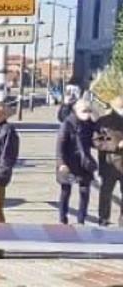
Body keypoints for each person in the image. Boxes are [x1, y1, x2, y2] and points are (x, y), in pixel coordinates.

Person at [56, 95, 100, 225]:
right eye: (84, 111)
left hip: (84, 162)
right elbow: (60, 147)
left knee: (84, 191)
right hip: (68, 163)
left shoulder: (89, 124)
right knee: (66, 191)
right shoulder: (67, 124)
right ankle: (63, 218)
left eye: (88, 110)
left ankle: (81, 219)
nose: (87, 114)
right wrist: (61, 164)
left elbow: (99, 134)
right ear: (76, 111)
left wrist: (95, 115)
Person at [94, 103, 123, 226]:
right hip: (109, 164)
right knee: (106, 192)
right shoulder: (103, 121)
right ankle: (103, 218)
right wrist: (117, 145)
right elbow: (97, 140)